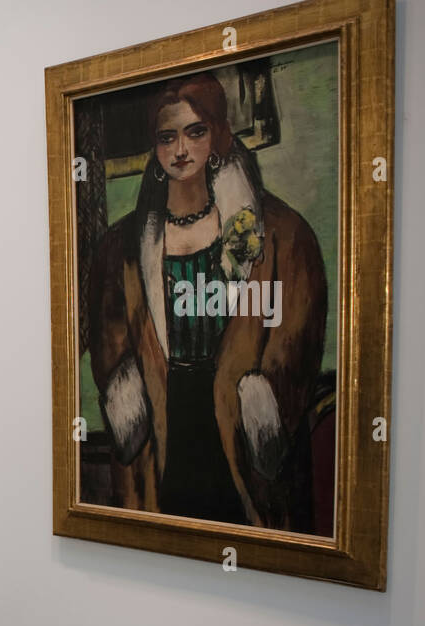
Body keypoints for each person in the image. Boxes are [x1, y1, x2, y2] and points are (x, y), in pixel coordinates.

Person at [86, 71, 326, 530]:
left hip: (237, 427)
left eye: (195, 131)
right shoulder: (121, 247)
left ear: (218, 132)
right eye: (167, 136)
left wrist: (262, 405)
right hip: (162, 425)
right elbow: (109, 338)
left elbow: (296, 332)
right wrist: (127, 400)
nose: (181, 150)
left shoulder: (280, 232)